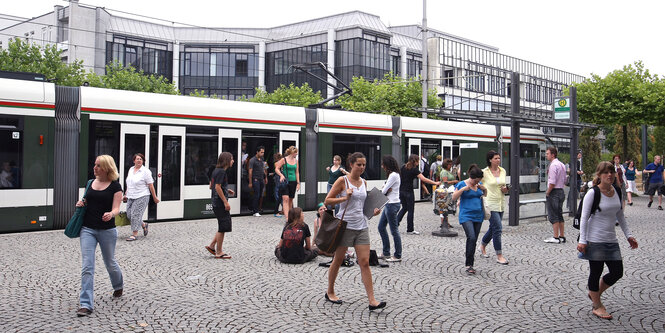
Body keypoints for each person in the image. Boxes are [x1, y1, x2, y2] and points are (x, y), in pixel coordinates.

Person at [324, 152, 385, 311]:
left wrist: (373, 211)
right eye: (359, 164)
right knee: (338, 260)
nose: (362, 167)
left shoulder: (364, 182)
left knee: (364, 262)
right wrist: (344, 198)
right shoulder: (342, 181)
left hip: (361, 226)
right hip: (345, 226)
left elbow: (363, 207)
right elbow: (328, 201)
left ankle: (372, 300)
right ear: (351, 165)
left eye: (364, 165)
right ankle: (330, 291)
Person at [577, 161, 638, 320]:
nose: (609, 175)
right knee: (595, 272)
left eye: (611, 172)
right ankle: (597, 305)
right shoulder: (593, 193)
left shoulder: (617, 191)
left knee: (617, 272)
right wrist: (583, 241)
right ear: (599, 175)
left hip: (611, 239)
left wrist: (629, 236)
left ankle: (594, 293)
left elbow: (620, 216)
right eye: (605, 172)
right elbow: (584, 218)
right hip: (594, 239)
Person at [75, 155, 124, 317]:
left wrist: (111, 214)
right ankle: (85, 303)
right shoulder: (90, 183)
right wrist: (81, 203)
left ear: (106, 168)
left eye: (98, 166)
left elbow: (117, 208)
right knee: (87, 266)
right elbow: (86, 201)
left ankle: (118, 284)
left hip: (107, 230)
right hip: (87, 229)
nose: (94, 168)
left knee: (109, 261)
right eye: (94, 165)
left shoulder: (115, 186)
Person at [452, 164, 487, 275]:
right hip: (466, 215)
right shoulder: (462, 184)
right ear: (472, 178)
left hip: (478, 215)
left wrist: (484, 189)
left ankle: (470, 261)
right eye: (476, 181)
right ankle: (468, 264)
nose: (477, 183)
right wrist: (463, 189)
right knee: (471, 236)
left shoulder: (479, 185)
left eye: (479, 181)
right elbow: (453, 197)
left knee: (473, 239)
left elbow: (484, 195)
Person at [397, 154, 440, 235]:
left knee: (404, 208)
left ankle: (396, 223)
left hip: (401, 191)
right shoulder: (414, 170)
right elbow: (424, 179)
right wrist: (435, 182)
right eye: (418, 160)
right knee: (410, 210)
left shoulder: (403, 167)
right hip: (409, 191)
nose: (419, 162)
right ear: (415, 161)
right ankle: (410, 229)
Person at [479, 151, 509, 265]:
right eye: (496, 158)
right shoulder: (484, 172)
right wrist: (482, 189)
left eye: (499, 158)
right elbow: (477, 183)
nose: (498, 160)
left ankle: (482, 245)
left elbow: (503, 185)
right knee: (498, 228)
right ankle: (499, 255)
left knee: (493, 228)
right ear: (490, 160)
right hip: (490, 203)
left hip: (501, 202)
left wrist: (505, 189)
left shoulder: (503, 171)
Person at [205, 152, 235, 259]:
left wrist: (227, 190)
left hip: (215, 202)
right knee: (223, 227)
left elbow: (211, 186)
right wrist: (225, 202)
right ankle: (219, 252)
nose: (233, 161)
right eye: (231, 159)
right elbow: (217, 187)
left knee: (223, 225)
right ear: (227, 160)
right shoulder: (222, 172)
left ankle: (212, 246)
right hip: (220, 203)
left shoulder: (216, 171)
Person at [123, 153, 159, 241]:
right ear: (134, 160)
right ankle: (143, 225)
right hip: (131, 195)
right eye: (137, 159)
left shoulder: (145, 171)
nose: (139, 160)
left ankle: (134, 234)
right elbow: (129, 183)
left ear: (143, 161)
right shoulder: (131, 169)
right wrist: (126, 194)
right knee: (129, 214)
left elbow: (151, 185)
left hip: (142, 195)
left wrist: (155, 197)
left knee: (135, 214)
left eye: (141, 159)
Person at [377, 155, 402, 262]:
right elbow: (385, 189)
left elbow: (383, 191)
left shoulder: (393, 176)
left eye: (383, 164)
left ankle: (397, 255)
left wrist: (385, 188)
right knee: (381, 227)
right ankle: (386, 252)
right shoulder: (393, 175)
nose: (382, 166)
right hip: (389, 203)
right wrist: (385, 188)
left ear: (387, 165)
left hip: (392, 204)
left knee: (394, 230)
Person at [544, 147, 567, 244]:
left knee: (553, 215)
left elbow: (552, 182)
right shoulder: (562, 164)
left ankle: (555, 236)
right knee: (559, 214)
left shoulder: (553, 165)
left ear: (553, 155)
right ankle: (562, 235)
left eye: (547, 153)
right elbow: (565, 179)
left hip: (554, 191)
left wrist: (548, 192)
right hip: (561, 190)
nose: (546, 155)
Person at [275, 146, 300, 219]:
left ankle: (290, 216)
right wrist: (281, 175)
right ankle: (287, 218)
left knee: (290, 199)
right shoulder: (284, 160)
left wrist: (298, 183)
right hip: (285, 181)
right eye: (295, 152)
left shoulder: (296, 161)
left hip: (293, 181)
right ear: (292, 153)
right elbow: (276, 168)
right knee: (285, 198)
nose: (297, 154)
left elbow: (297, 172)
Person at [438, 158, 459, 229]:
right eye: (450, 164)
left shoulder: (447, 171)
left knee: (446, 207)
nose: (451, 166)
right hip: (444, 190)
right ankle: (443, 222)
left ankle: (446, 222)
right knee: (443, 206)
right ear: (446, 165)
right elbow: (445, 182)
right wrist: (454, 181)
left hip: (448, 190)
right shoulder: (444, 172)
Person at [248, 146, 267, 217]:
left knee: (260, 194)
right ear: (257, 152)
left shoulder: (262, 159)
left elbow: (265, 168)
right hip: (255, 179)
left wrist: (266, 177)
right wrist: (250, 182)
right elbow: (250, 171)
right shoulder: (252, 160)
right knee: (257, 194)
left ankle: (256, 208)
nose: (262, 154)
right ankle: (255, 210)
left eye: (263, 152)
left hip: (261, 178)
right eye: (261, 152)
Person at [272, 153, 285, 217]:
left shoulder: (277, 163)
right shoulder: (278, 163)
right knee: (279, 195)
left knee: (280, 195)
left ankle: (283, 210)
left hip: (279, 180)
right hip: (279, 181)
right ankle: (282, 210)